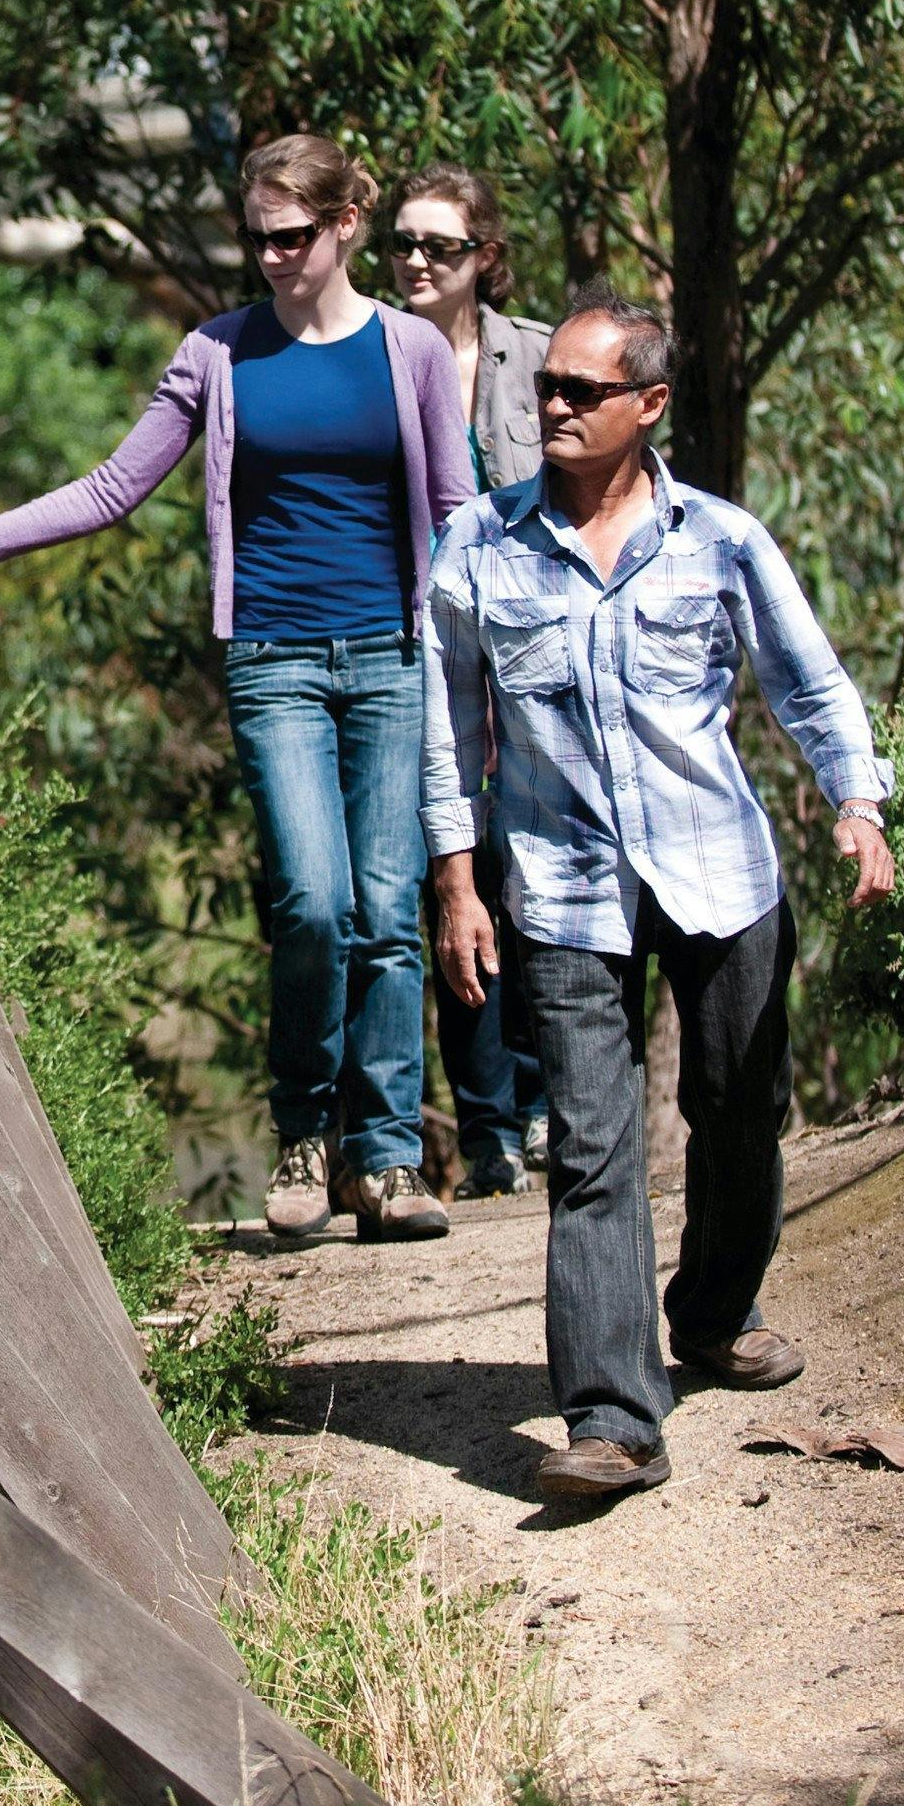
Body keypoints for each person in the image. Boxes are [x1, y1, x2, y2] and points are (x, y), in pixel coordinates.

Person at [0, 132, 473, 1247]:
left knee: (390, 911)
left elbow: (458, 513)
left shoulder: (413, 349)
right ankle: (303, 1131)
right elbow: (111, 486)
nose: (272, 256)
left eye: (293, 235)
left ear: (344, 227)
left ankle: (385, 1159)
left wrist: (514, 635)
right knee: (314, 903)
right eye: (257, 236)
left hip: (389, 653)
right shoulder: (217, 353)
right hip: (274, 660)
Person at [423, 284, 895, 1508]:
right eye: (548, 387)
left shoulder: (721, 539)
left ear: (650, 402)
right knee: (592, 1144)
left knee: (742, 1105)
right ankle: (614, 1415)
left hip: (717, 870)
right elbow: (448, 729)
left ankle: (717, 1308)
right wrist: (459, 881)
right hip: (561, 886)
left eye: (584, 389)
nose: (556, 405)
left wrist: (858, 800)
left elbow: (807, 678)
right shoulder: (476, 543)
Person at [387, 166, 553, 1197]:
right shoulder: (375, 354)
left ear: (484, 257)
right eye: (403, 241)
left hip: (530, 639)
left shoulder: (541, 357)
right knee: (455, 878)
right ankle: (488, 1125)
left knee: (534, 867)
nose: (413, 260)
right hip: (416, 643)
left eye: (439, 246)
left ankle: (544, 1099)